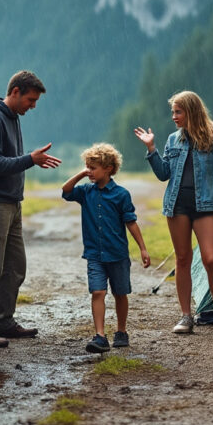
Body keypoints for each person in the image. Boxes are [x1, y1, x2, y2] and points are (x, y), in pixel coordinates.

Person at [134, 90, 213, 338]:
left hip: (206, 205)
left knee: (210, 260)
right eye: (173, 112)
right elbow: (164, 173)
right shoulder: (172, 140)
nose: (174, 117)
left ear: (191, 111)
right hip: (177, 206)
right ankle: (186, 316)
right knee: (182, 260)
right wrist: (151, 149)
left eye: (178, 112)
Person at [0, 70, 62, 348]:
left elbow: (7, 159)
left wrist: (27, 160)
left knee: (15, 266)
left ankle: (3, 322)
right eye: (31, 100)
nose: (33, 106)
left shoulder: (11, 118)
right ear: (16, 91)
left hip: (10, 202)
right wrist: (30, 159)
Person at [61, 143, 151, 353]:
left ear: (109, 168)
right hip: (95, 255)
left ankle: (121, 331)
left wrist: (143, 249)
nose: (89, 172)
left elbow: (131, 222)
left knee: (120, 293)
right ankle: (100, 336)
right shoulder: (85, 192)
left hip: (117, 254)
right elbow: (65, 192)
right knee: (98, 292)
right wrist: (81, 174)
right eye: (87, 167)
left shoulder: (121, 194)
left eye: (93, 168)